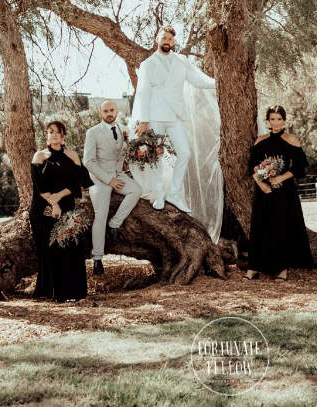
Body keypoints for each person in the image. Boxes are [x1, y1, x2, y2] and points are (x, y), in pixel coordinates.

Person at [128, 25, 217, 213]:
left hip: (175, 115)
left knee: (185, 153)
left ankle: (175, 193)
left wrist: (219, 84)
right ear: (156, 39)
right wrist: (143, 120)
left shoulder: (182, 61)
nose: (167, 40)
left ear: (173, 41)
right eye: (164, 37)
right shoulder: (148, 64)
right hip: (154, 116)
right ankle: (159, 194)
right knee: (156, 156)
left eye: (170, 38)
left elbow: (198, 79)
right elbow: (143, 92)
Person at [245, 105, 313, 281]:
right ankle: (253, 267)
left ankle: (282, 269)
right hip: (263, 192)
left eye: (279, 119)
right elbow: (252, 167)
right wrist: (262, 185)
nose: (275, 122)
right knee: (260, 226)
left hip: (284, 192)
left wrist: (279, 179)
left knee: (282, 228)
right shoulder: (260, 141)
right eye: (272, 119)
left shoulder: (292, 140)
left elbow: (299, 168)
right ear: (267, 121)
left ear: (284, 120)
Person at [31, 120, 93, 301]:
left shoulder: (72, 155)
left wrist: (59, 197)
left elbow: (79, 183)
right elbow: (38, 185)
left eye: (58, 132)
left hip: (67, 206)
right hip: (42, 208)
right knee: (50, 248)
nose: (54, 135)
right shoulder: (39, 156)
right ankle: (52, 292)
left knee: (71, 247)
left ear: (64, 135)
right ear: (46, 135)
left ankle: (73, 291)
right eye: (51, 132)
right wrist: (53, 203)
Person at [83, 100, 143, 276]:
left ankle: (115, 224)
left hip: (118, 174)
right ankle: (97, 259)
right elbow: (88, 161)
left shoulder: (123, 130)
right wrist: (109, 180)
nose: (109, 113)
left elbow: (124, 154)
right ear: (100, 114)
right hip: (99, 178)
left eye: (112, 110)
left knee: (136, 190)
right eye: (105, 111)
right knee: (100, 215)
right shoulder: (92, 132)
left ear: (117, 111)